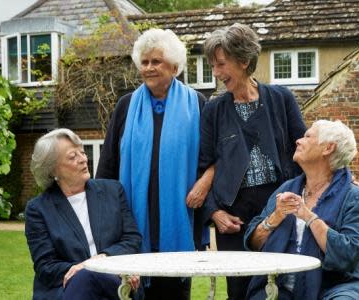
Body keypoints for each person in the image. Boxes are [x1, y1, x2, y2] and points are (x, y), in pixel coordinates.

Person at [95, 28, 212, 299]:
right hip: (134, 219)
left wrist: (204, 183)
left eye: (156, 61)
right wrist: (105, 215)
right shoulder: (126, 106)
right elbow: (109, 162)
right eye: (145, 62)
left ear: (174, 66)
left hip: (180, 218)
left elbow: (213, 159)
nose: (149, 68)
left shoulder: (197, 103)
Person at [200, 23, 306, 299]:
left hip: (277, 206)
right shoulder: (214, 110)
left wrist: (335, 174)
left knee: (279, 285)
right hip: (233, 215)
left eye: (221, 64)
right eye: (212, 65)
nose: (216, 73)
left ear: (244, 61)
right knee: (238, 291)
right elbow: (203, 166)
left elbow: (304, 149)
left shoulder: (281, 99)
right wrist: (214, 213)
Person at [245, 120, 359, 300]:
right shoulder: (287, 189)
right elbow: (254, 243)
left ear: (328, 148)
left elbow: (349, 253)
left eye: (307, 136)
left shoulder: (353, 196)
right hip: (281, 284)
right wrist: (275, 217)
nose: (298, 141)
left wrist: (308, 217)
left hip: (339, 284)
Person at [25, 128, 142, 300]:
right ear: (52, 170)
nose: (83, 159)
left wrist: (99, 261)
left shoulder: (113, 190)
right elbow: (46, 267)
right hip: (65, 288)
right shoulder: (38, 209)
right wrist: (86, 269)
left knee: (90, 274)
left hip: (114, 280)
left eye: (82, 152)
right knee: (86, 277)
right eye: (73, 157)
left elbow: (132, 239)